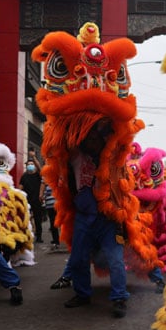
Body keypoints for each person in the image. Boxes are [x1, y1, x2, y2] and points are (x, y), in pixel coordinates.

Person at [62, 120, 130, 318]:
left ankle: (119, 298)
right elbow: (61, 140)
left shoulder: (111, 158)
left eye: (95, 138)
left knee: (116, 260)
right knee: (77, 259)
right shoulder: (75, 156)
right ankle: (82, 294)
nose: (91, 141)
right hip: (84, 217)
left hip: (107, 219)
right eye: (88, 138)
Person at [19, 153, 44, 243]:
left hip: (37, 200)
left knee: (38, 219)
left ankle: (39, 236)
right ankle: (28, 235)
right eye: (28, 164)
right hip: (27, 201)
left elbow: (41, 169)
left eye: (32, 164)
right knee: (26, 218)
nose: (30, 166)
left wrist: (34, 157)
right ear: (26, 166)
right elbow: (20, 187)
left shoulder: (38, 175)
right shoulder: (24, 176)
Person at [40, 179, 60, 250]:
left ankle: (56, 241)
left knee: (53, 222)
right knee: (60, 222)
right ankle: (59, 240)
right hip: (58, 202)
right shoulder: (59, 172)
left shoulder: (45, 176)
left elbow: (41, 191)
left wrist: (41, 196)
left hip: (51, 203)